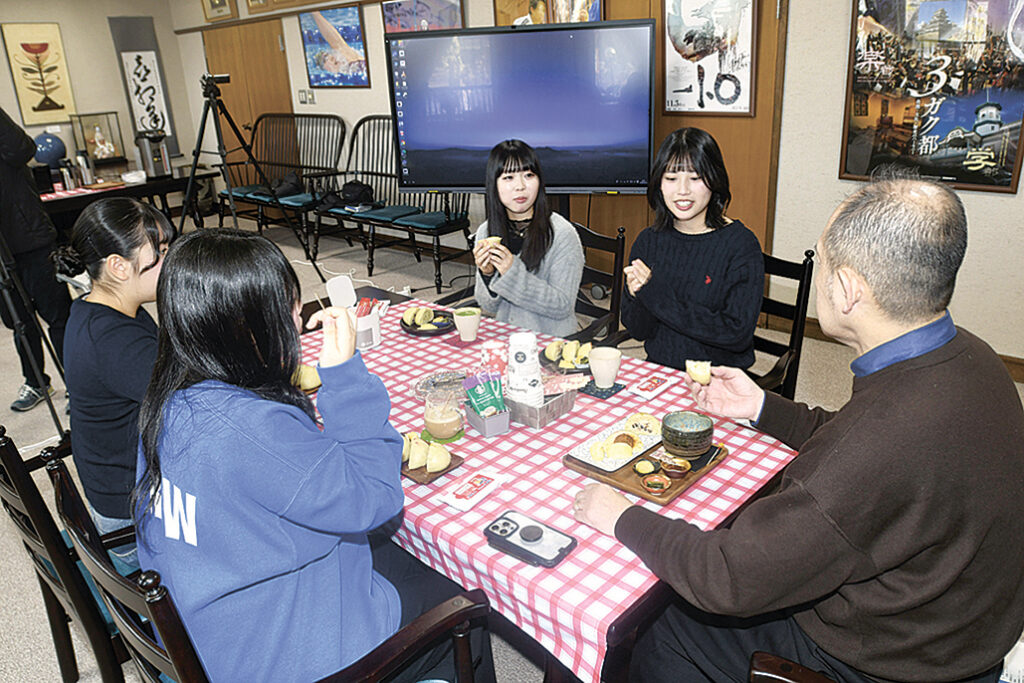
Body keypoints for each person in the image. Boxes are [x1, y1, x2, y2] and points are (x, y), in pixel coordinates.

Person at [574, 179, 1024, 682]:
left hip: (887, 659)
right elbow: (855, 438)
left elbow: (728, 577)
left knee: (660, 622)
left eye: (828, 268)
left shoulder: (875, 444)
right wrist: (763, 406)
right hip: (961, 631)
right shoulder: (973, 359)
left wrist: (621, 515)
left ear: (849, 289)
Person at [133, 229, 494, 682]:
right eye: (286, 307)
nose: (299, 317)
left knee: (401, 556)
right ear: (244, 328)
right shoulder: (252, 429)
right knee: (467, 606)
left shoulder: (167, 403)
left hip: (218, 627)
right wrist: (344, 375)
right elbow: (375, 499)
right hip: (288, 653)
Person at [51, 197, 175, 572]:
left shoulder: (100, 310)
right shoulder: (113, 342)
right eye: (162, 252)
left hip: (122, 491)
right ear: (119, 266)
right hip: (133, 520)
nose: (170, 262)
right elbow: (192, 401)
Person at [620, 127, 763, 371]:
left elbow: (735, 334)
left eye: (695, 178)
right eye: (671, 178)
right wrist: (637, 296)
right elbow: (638, 331)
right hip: (660, 373)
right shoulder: (648, 241)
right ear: (659, 184)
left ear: (714, 180)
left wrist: (655, 295)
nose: (682, 190)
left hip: (719, 380)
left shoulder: (740, 245)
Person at [0, 105, 72, 412]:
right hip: (1, 255)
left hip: (31, 238)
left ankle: (78, 381)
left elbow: (22, 148)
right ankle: (36, 381)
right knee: (19, 322)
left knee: (58, 316)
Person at [473, 139, 584, 337]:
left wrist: (511, 273)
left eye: (528, 175)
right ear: (494, 184)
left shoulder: (562, 234)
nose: (520, 186)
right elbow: (487, 305)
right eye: (508, 177)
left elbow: (562, 307)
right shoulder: (486, 232)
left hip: (550, 343)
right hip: (506, 337)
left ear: (539, 180)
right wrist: (487, 274)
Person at [311, 10, 367, 78]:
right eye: (324, 59)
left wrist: (315, 14)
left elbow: (335, 41)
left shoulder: (352, 62)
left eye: (327, 55)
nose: (330, 57)